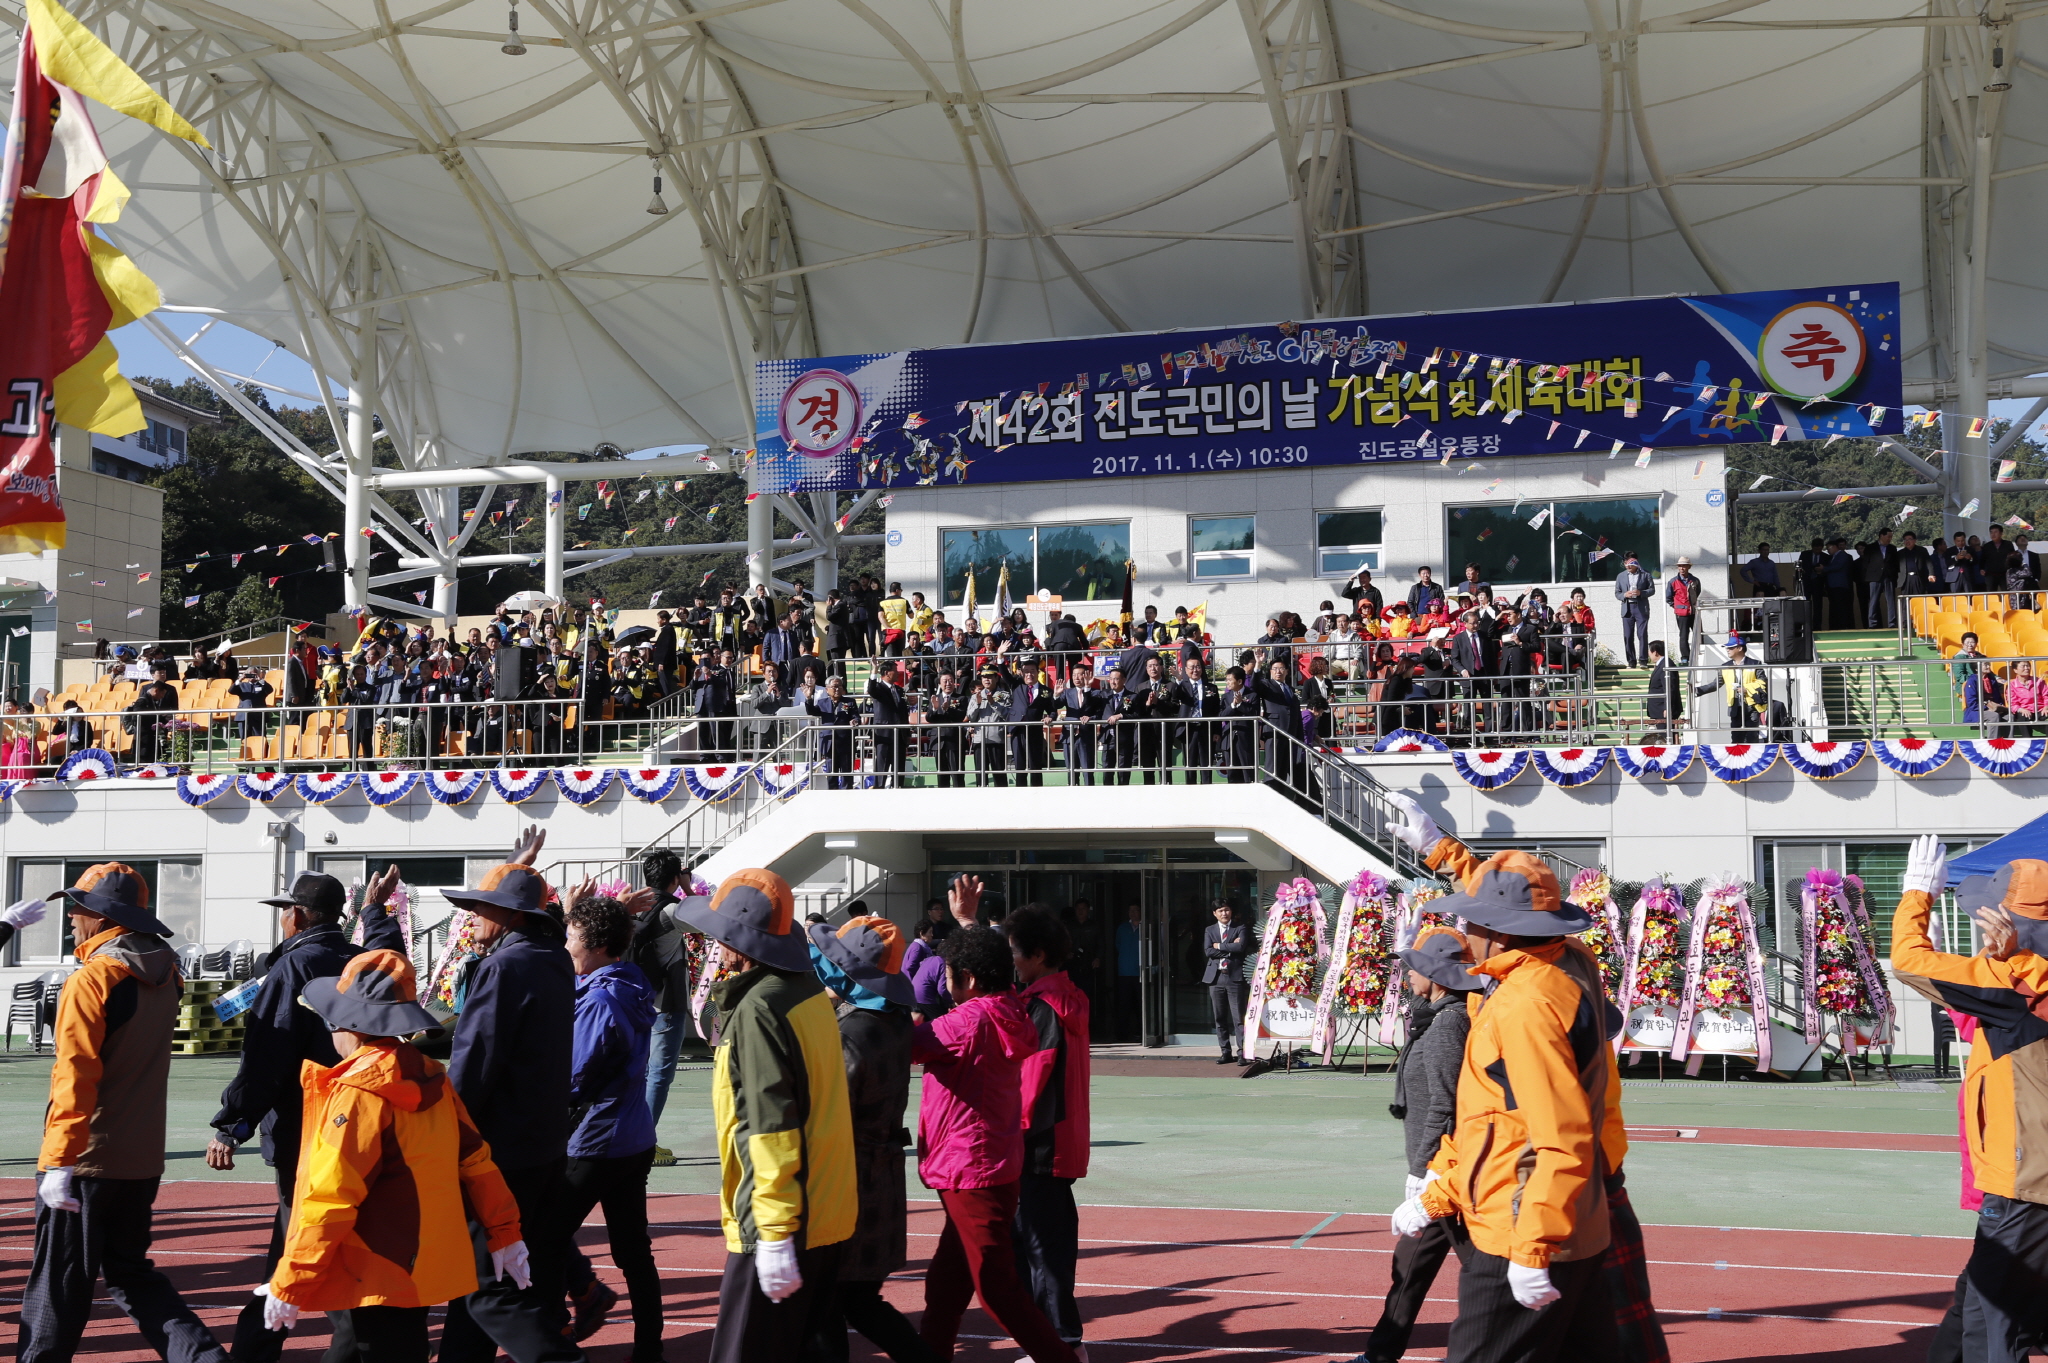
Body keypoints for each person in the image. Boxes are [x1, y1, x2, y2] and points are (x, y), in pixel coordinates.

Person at [1384, 796, 1625, 1363]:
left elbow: (1541, 1134)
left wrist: (1531, 1246)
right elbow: (1510, 895)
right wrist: (1444, 853)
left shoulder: (1524, 1003)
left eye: (1471, 920)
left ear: (1499, 930)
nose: (1462, 927)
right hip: (1579, 1208)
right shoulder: (1567, 960)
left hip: (1520, 1220)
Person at [259, 950, 526, 1363]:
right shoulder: (432, 1077)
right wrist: (504, 1229)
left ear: (347, 1025)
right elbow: (476, 1160)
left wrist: (292, 1278)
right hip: (420, 1262)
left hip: (374, 1265)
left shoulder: (359, 1093)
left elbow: (331, 1196)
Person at [20, 864, 234, 1363]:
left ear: (101, 916)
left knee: (58, 1285)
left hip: (87, 1158)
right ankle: (203, 1357)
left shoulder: (93, 979)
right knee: (131, 1274)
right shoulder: (168, 973)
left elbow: (75, 1078)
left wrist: (58, 1161)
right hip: (141, 1157)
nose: (71, 917)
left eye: (79, 908)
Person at [206, 870, 406, 1363]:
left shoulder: (293, 965)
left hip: (307, 1128)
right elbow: (391, 959)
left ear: (297, 914)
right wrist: (376, 913)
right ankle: (259, 1346)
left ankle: (338, 1347)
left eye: (285, 909)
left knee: (306, 1243)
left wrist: (232, 1124)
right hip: (363, 1120)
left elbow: (267, 1054)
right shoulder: (358, 956)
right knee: (307, 1243)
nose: (282, 918)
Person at [676, 869, 857, 1362]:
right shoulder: (806, 992)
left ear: (737, 942)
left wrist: (773, 1232)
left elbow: (769, 1125)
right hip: (822, 1208)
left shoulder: (759, 1007)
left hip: (781, 1216)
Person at [1890, 839, 2048, 1363]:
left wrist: (1917, 897)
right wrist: (2003, 955)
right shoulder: (2022, 976)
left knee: (1993, 1317)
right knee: (1978, 1306)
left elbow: (1908, 961)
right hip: (2024, 1176)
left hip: (2027, 1182)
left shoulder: (2016, 984)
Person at [911, 924, 1080, 1363]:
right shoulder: (1007, 1008)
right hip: (989, 1162)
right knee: (947, 1285)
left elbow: (906, 1046)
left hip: (969, 1168)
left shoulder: (965, 1021)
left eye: (947, 974)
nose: (942, 983)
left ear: (965, 978)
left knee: (997, 1291)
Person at [439, 860, 587, 1363]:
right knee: (523, 1271)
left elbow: (476, 1060)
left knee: (484, 1280)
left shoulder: (504, 966)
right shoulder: (555, 958)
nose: (470, 917)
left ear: (507, 914)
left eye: (477, 907)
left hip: (501, 1149)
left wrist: (446, 1128)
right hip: (544, 1141)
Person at [804, 915, 938, 1363]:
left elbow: (826, 1117)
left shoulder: (852, 1036)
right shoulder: (895, 1022)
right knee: (856, 1300)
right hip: (881, 1174)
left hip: (848, 1181)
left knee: (827, 1302)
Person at [1360, 926, 1484, 1363]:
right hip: (1433, 1168)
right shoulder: (1433, 1014)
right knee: (1410, 1270)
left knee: (1486, 1274)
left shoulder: (1449, 1023)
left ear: (1438, 974)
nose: (1407, 974)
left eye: (1415, 967)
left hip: (1444, 1171)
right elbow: (1418, 1003)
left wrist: (1423, 1169)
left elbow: (1446, 1104)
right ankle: (1378, 1356)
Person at [557, 890, 665, 1361]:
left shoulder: (599, 1000)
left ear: (594, 943)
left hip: (594, 1140)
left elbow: (575, 1075)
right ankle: (648, 1349)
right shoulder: (630, 982)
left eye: (570, 935)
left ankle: (556, 1335)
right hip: (632, 1136)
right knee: (634, 1251)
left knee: (542, 1236)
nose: (565, 943)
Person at [1006, 905, 1093, 1359]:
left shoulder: (1043, 1008)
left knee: (1040, 1251)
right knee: (1045, 1245)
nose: (1013, 963)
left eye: (1017, 954)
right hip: (1058, 1139)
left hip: (1037, 1141)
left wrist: (1006, 1131)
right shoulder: (1068, 997)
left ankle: (1062, 1342)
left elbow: (1029, 1082)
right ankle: (1056, 1340)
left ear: (1037, 955)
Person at [1202, 901, 1251, 1064]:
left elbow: (1241, 947)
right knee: (1220, 1017)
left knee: (1239, 1017)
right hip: (1215, 978)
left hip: (1234, 977)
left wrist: (1220, 946)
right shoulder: (1210, 930)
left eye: (1227, 910)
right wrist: (1230, 946)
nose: (1224, 913)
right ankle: (1225, 1052)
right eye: (1221, 911)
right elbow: (1208, 951)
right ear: (1214, 913)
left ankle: (1242, 1052)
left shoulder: (1240, 928)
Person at [1694, 637, 1766, 742]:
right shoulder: (1725, 666)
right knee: (1736, 738)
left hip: (1752, 706)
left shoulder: (1755, 664)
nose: (1727, 650)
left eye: (1730, 648)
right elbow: (1715, 684)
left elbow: (1763, 682)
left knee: (1752, 737)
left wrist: (1747, 689)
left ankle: (1752, 758)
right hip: (1735, 707)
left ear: (1740, 648)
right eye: (1727, 648)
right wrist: (1696, 690)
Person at [1612, 553, 1652, 667]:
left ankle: (1643, 660)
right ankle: (1631, 660)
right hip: (1627, 608)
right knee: (1628, 635)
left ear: (1636, 563)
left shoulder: (1645, 574)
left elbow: (1652, 590)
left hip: (1641, 607)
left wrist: (1641, 593)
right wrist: (1625, 595)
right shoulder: (1621, 576)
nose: (1628, 565)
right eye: (1626, 563)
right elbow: (1617, 593)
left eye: (1631, 563)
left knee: (1642, 634)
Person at [1663, 556, 1702, 664]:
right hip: (1681, 613)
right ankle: (1685, 656)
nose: (1681, 568)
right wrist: (1676, 606)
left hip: (1694, 611)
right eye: (1680, 566)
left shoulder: (1695, 580)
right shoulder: (1673, 582)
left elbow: (1697, 593)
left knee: (1698, 633)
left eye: (1684, 566)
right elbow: (1668, 598)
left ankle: (1699, 653)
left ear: (1689, 567)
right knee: (1683, 635)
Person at [1115, 903, 1143, 1043]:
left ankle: (1142, 1032)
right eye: (1130, 910)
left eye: (1135, 910)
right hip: (1125, 972)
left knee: (1141, 1005)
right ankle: (1122, 1035)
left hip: (1142, 972)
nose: (1132, 913)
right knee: (1124, 1005)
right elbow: (1118, 945)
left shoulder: (1146, 928)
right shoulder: (1122, 928)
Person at [1643, 640, 1681, 739]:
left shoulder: (1666, 665)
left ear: (1655, 652)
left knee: (1664, 738)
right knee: (1659, 737)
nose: (1648, 654)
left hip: (1663, 710)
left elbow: (1670, 687)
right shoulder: (1661, 664)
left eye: (1649, 652)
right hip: (1658, 710)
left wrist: (1667, 707)